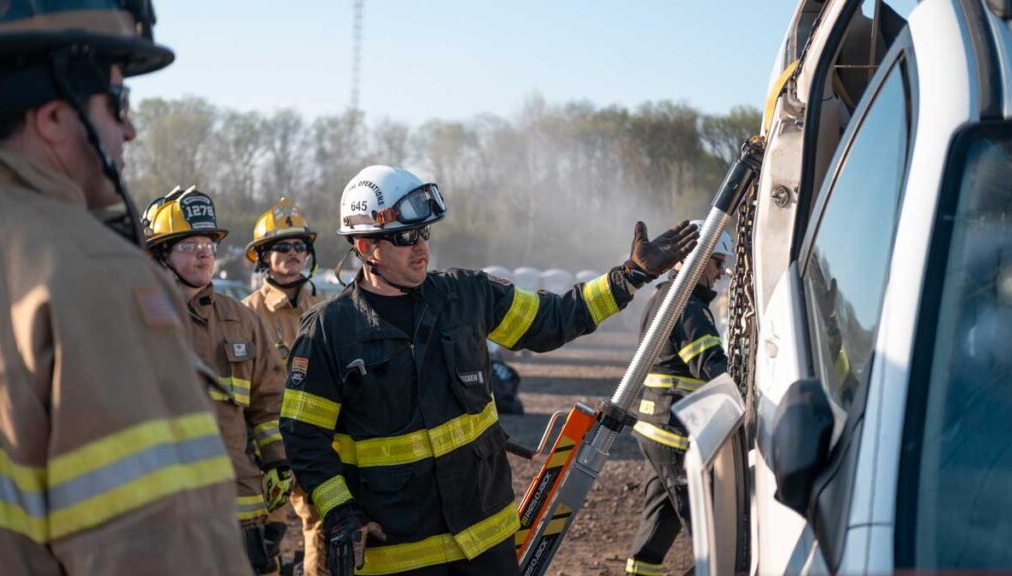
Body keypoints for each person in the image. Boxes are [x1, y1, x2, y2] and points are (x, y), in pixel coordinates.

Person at [280, 165, 700, 576]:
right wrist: (340, 510)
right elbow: (303, 435)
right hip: (399, 558)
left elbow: (552, 320)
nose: (421, 247)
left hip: (487, 545)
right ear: (364, 245)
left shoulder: (468, 296)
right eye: (405, 237)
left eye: (424, 232)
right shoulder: (328, 332)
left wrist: (630, 277)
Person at [0, 1, 251, 574]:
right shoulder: (92, 273)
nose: (130, 128)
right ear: (54, 116)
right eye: (118, 102)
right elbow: (161, 549)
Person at [142, 186, 291, 575]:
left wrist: (277, 464)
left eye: (208, 242)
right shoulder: (137, 319)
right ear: (161, 255)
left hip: (240, 504)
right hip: (165, 505)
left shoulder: (241, 319)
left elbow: (269, 402)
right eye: (190, 244)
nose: (205, 252)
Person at [625, 221, 733, 576]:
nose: (721, 272)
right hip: (674, 435)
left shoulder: (661, 298)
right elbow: (711, 368)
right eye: (718, 262)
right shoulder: (688, 306)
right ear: (699, 259)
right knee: (716, 543)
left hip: (655, 431)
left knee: (656, 533)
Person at [243, 197, 327, 575]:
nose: (293, 254)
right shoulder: (245, 314)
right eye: (282, 247)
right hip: (267, 449)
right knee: (264, 538)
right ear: (263, 257)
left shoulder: (328, 308)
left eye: (299, 246)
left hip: (318, 440)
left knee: (324, 528)